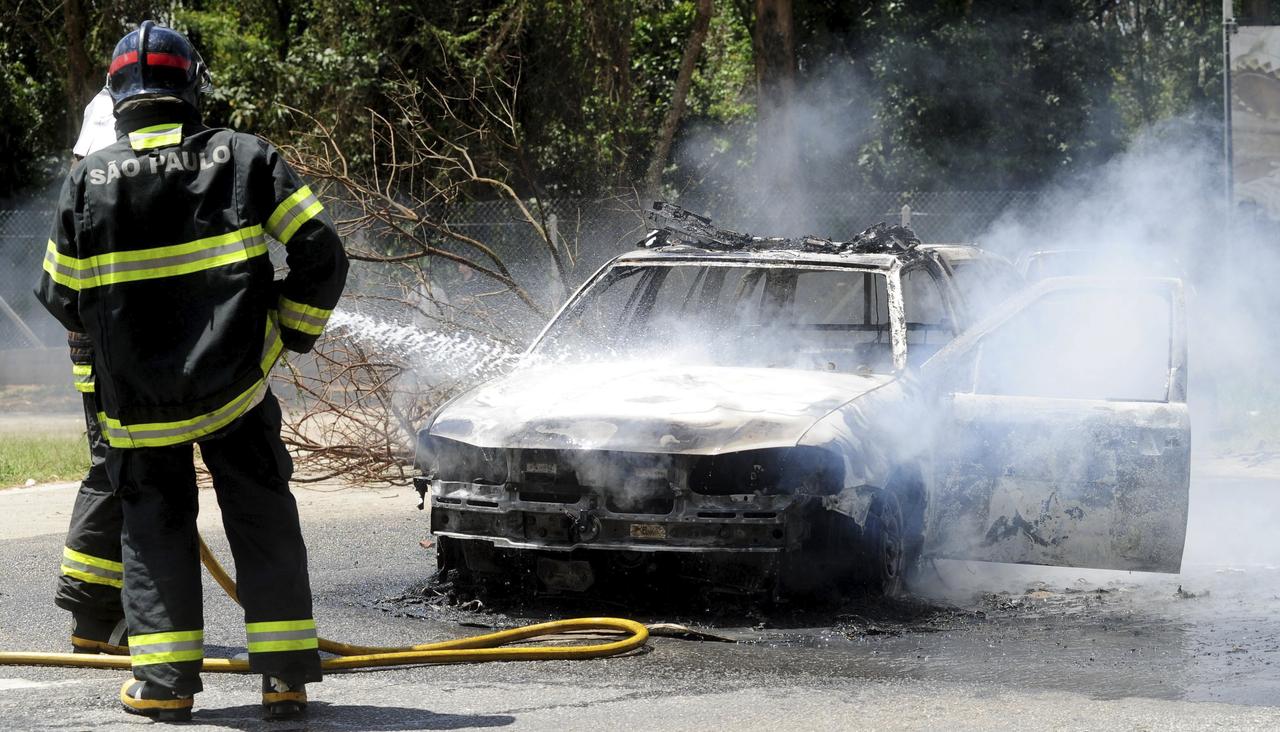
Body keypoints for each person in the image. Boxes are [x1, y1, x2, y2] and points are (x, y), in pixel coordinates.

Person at [35, 21, 348, 722]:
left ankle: (166, 686)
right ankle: (287, 677)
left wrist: (119, 357)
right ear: (192, 86)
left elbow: (61, 297)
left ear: (118, 96)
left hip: (138, 406)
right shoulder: (245, 158)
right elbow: (321, 252)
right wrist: (284, 336)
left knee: (154, 528)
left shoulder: (88, 182)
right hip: (236, 388)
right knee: (262, 516)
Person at [55, 87, 129, 659]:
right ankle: (95, 614)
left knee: (114, 466)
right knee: (117, 469)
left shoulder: (87, 175)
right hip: (113, 345)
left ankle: (98, 617)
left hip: (99, 340)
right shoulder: (117, 174)